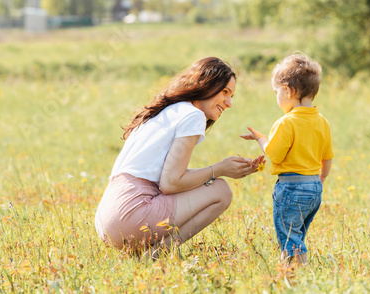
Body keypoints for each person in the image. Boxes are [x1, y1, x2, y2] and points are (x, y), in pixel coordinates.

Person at [95, 57, 265, 254]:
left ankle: (144, 252)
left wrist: (225, 169)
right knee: (221, 191)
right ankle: (158, 254)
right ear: (206, 84)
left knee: (211, 183)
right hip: (130, 215)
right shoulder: (193, 115)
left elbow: (168, 175)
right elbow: (171, 183)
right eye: (225, 92)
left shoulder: (168, 110)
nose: (229, 103)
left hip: (106, 218)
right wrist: (219, 170)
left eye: (231, 96)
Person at [240, 53, 333, 265]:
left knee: (290, 237)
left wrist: (260, 138)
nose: (276, 98)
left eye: (276, 92)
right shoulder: (322, 122)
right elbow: (327, 158)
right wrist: (321, 180)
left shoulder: (286, 122)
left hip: (291, 188)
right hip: (314, 188)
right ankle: (295, 269)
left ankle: (296, 275)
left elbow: (274, 153)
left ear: (287, 90)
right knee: (297, 235)